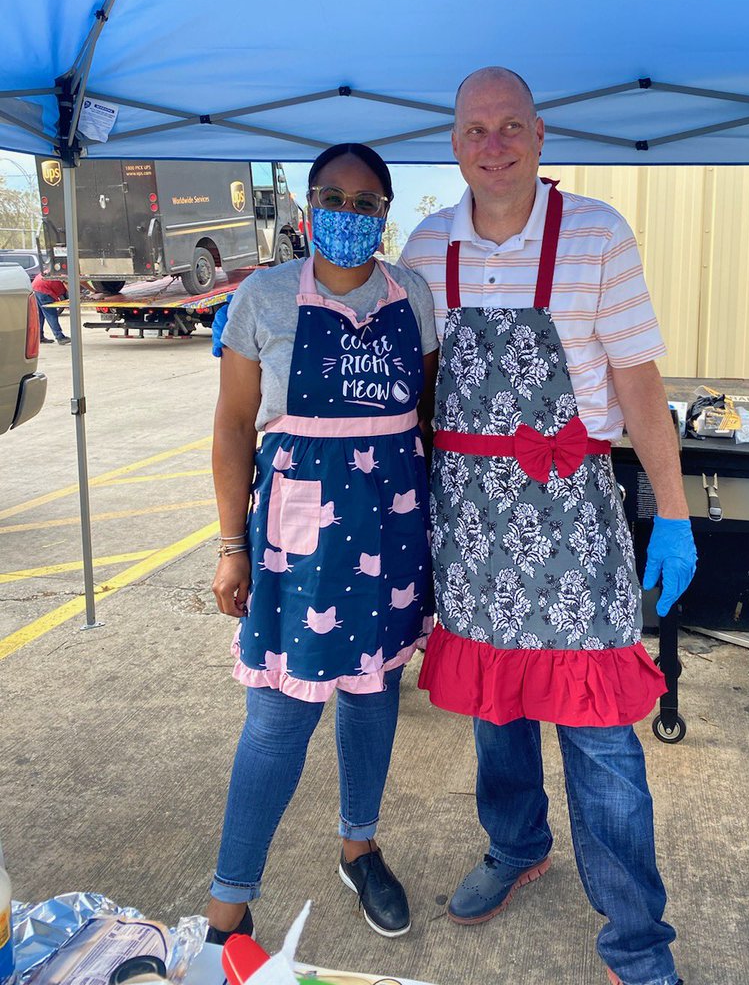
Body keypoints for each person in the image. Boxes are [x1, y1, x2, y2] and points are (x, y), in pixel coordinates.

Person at [400, 68, 696, 985]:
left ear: (540, 134)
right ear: (454, 144)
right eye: (475, 130)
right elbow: (417, 390)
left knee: (599, 733)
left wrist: (674, 512)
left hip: (573, 518)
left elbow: (638, 383)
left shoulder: (597, 234)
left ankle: (636, 941)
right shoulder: (426, 247)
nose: (493, 145)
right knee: (495, 709)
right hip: (470, 526)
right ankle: (517, 844)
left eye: (510, 127)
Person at [207, 143, 438, 943]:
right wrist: (230, 544)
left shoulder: (412, 294)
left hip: (391, 528)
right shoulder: (264, 296)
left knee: (373, 697)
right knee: (276, 721)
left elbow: (425, 413)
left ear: (385, 215)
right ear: (309, 208)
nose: (347, 214)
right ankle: (228, 905)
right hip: (295, 539)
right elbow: (234, 426)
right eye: (332, 198)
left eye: (365, 202)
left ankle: (359, 847)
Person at [31, 272, 70, 344]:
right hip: (44, 290)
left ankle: (39, 337)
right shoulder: (67, 271)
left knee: (40, 316)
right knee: (51, 315)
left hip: (35, 288)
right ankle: (60, 337)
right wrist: (74, 295)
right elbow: (67, 283)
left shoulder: (56, 268)